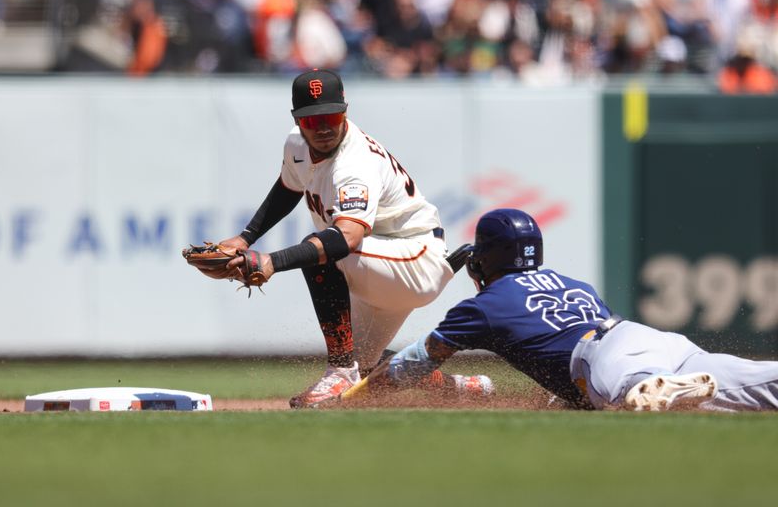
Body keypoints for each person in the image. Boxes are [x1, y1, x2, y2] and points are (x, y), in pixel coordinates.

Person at [208, 68, 494, 408]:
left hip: (415, 257)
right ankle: (459, 387)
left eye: (332, 115)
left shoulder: (354, 163)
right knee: (366, 361)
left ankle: (340, 370)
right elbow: (288, 188)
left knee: (325, 249)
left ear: (346, 110)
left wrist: (271, 261)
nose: (324, 127)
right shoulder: (297, 145)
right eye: (313, 120)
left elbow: (346, 239)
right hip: (379, 262)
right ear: (298, 121)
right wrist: (245, 238)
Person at [347, 208, 778, 412]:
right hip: (652, 338)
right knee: (755, 383)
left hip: (605, 357)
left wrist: (357, 394)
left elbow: (414, 364)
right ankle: (671, 383)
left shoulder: (482, 306)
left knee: (634, 397)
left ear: (489, 256)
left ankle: (658, 387)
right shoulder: (571, 282)